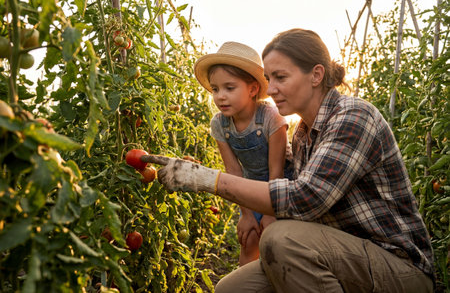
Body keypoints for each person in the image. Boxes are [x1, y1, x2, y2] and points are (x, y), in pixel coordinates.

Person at [143, 28, 435, 292]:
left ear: (316, 75)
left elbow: (307, 198)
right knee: (231, 289)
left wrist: (205, 178)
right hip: (339, 256)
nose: (270, 90)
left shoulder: (353, 116)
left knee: (281, 239)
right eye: (269, 79)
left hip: (398, 268)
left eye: (281, 78)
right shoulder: (303, 135)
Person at [194, 41, 292, 266]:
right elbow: (234, 171)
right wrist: (247, 215)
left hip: (283, 188)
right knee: (248, 241)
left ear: (253, 89)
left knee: (276, 245)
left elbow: (277, 171)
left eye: (229, 88)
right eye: (215, 89)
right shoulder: (220, 124)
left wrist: (270, 213)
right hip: (250, 189)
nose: (220, 96)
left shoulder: (271, 118)